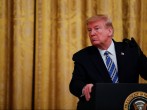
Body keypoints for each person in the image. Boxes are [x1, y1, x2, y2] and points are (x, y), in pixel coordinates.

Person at [69, 14, 147, 110]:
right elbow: (74, 83)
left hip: (127, 105)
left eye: (96, 29)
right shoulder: (83, 56)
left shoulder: (130, 50)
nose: (92, 33)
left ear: (109, 31)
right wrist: (84, 87)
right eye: (89, 30)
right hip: (98, 106)